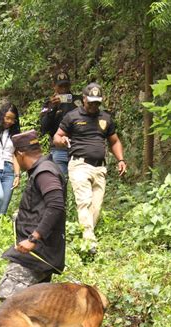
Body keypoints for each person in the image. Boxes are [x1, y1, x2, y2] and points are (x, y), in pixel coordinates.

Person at [0, 129, 66, 327]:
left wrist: (34, 238)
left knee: (9, 296)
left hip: (37, 252)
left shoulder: (45, 172)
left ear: (20, 153)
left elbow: (56, 205)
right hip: (40, 251)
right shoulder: (41, 170)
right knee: (32, 306)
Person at [54, 82, 127, 254]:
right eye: (91, 102)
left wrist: (121, 160)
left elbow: (114, 141)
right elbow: (57, 136)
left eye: (97, 102)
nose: (94, 105)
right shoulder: (72, 116)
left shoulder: (105, 118)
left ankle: (86, 236)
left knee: (96, 206)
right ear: (84, 99)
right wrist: (61, 141)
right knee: (84, 201)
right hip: (79, 164)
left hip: (100, 169)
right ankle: (89, 242)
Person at [40, 71, 82, 176]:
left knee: (80, 182)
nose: (64, 88)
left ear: (70, 85)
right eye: (60, 86)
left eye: (66, 85)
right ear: (54, 87)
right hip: (58, 149)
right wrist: (53, 108)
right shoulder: (49, 103)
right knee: (60, 183)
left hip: (79, 148)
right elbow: (44, 127)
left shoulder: (79, 100)